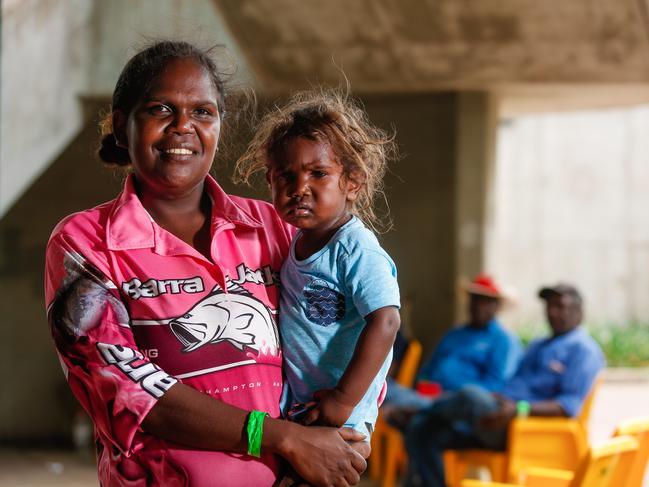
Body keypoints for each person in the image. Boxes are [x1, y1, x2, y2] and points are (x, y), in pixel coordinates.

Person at [44, 41, 367, 487]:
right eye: (161, 109)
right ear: (122, 126)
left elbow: (349, 325)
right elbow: (128, 390)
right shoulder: (86, 242)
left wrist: (353, 422)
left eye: (203, 112)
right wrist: (281, 438)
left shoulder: (273, 226)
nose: (183, 127)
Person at [234, 90, 401, 443]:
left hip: (340, 415)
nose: (299, 189)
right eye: (286, 176)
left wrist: (343, 401)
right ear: (270, 181)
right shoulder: (295, 241)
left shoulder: (355, 247)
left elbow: (386, 321)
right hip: (304, 408)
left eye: (318, 174)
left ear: (352, 182)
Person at [404, 283, 605, 487]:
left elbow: (568, 406)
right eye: (549, 306)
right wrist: (500, 398)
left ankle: (419, 408)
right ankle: (421, 415)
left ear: (579, 311)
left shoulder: (583, 350)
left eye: (560, 307)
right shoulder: (538, 345)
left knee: (471, 394)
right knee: (422, 429)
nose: (552, 312)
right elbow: (511, 385)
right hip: (498, 417)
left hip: (526, 429)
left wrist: (519, 410)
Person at [382, 274, 521, 421]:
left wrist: (450, 395)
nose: (478, 305)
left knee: (470, 396)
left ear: (497, 306)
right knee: (384, 387)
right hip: (429, 398)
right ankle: (424, 409)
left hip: (461, 402)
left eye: (486, 301)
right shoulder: (454, 334)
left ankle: (421, 410)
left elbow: (495, 387)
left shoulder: (503, 340)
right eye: (475, 299)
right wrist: (426, 388)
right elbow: (426, 372)